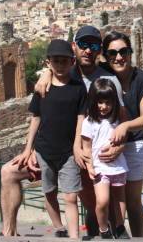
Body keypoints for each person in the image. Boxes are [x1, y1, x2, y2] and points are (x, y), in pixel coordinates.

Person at [0, 25, 124, 238]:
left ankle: (102, 232)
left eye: (93, 45)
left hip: (88, 155)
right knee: (8, 172)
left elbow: (118, 121)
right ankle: (9, 231)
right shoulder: (60, 71)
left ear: (99, 50)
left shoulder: (108, 79)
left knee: (93, 206)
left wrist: (117, 146)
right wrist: (28, 150)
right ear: (74, 48)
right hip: (52, 150)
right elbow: (38, 114)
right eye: (83, 45)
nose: (88, 50)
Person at [17, 39, 86, 239]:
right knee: (49, 192)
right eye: (56, 61)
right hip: (44, 150)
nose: (61, 65)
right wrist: (28, 149)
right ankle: (58, 226)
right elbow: (35, 118)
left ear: (72, 62)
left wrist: (76, 145)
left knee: (71, 197)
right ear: (49, 63)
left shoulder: (78, 88)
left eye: (65, 61)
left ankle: (74, 237)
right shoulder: (42, 89)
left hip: (68, 153)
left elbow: (81, 118)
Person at [102, 31, 143, 237]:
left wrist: (125, 126)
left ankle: (138, 238)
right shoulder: (102, 73)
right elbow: (73, 70)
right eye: (112, 53)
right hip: (108, 145)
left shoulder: (142, 79)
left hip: (134, 145)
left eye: (123, 51)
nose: (118, 57)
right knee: (109, 200)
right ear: (106, 56)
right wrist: (46, 74)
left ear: (131, 52)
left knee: (132, 201)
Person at [81, 78, 130, 239]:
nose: (103, 107)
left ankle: (120, 226)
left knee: (119, 198)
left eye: (107, 103)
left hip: (117, 165)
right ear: (93, 102)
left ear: (113, 102)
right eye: (100, 102)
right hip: (99, 167)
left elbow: (123, 141)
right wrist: (89, 166)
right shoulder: (89, 122)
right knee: (102, 201)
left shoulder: (117, 121)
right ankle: (103, 229)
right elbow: (86, 147)